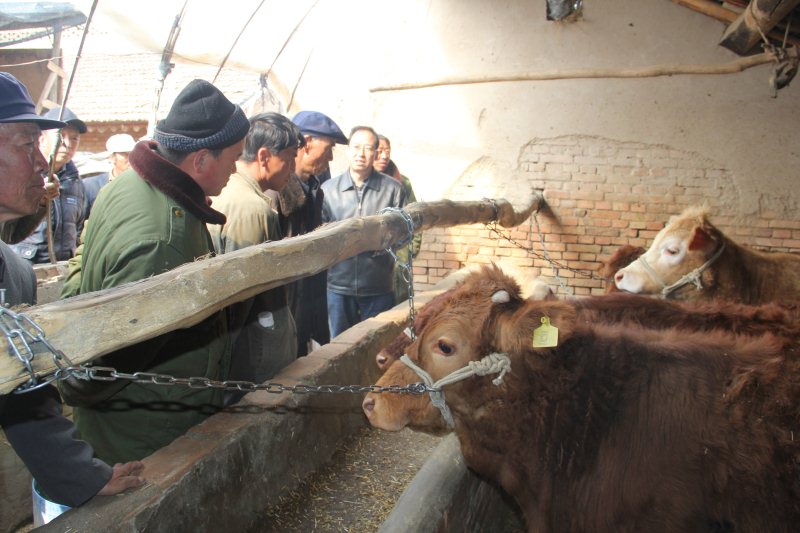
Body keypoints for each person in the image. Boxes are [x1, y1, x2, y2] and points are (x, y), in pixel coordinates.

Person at [58, 79, 249, 464]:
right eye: (233, 157)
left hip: (126, 421)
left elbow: (80, 268)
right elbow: (107, 363)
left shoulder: (128, 185)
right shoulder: (163, 240)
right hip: (144, 437)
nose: (236, 168)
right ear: (200, 160)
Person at [0, 72, 144, 508]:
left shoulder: (14, 273)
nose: (43, 165)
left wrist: (84, 476)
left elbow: (26, 398)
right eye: (26, 145)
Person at [208, 112, 301, 400]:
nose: (293, 167)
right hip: (250, 359)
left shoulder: (232, 194)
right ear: (263, 156)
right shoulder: (252, 209)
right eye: (289, 157)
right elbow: (239, 298)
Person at [264, 110, 348, 355]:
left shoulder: (313, 190)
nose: (331, 157)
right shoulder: (275, 195)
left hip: (304, 310)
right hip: (283, 312)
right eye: (329, 147)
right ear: (307, 142)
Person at [321, 126, 406, 337]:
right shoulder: (329, 190)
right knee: (338, 346)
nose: (361, 154)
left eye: (368, 148)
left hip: (378, 286)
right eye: (356, 147)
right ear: (348, 149)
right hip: (338, 286)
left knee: (377, 346)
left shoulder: (392, 190)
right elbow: (320, 237)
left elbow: (404, 234)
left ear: (376, 153)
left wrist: (381, 242)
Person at [11, 106, 87, 263]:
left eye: (74, 138)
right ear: (42, 139)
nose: (67, 144)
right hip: (26, 265)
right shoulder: (22, 175)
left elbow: (78, 226)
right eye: (61, 136)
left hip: (62, 268)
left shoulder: (75, 182)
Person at [374, 134, 422, 304]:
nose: (384, 156)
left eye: (387, 151)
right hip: (372, 262)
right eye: (379, 151)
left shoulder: (402, 183)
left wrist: (409, 250)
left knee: (400, 305)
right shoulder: (361, 185)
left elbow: (416, 217)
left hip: (399, 258)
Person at [82, 133, 135, 222]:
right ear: (112, 157)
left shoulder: (141, 185)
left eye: (133, 154)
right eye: (125, 154)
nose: (131, 158)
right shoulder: (91, 186)